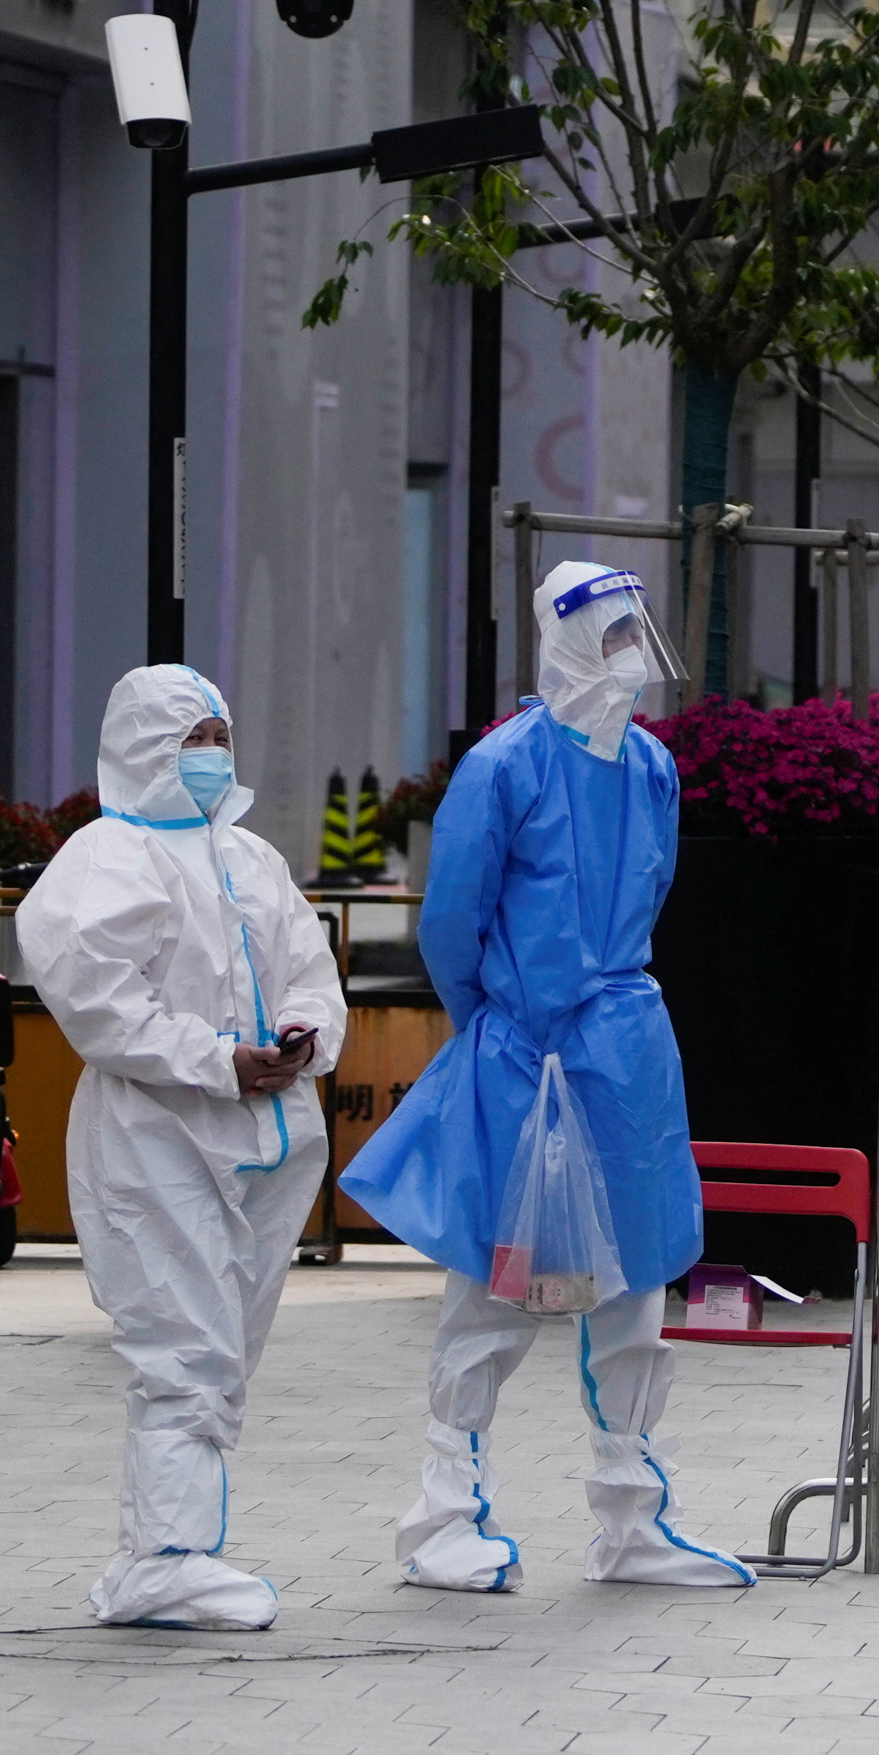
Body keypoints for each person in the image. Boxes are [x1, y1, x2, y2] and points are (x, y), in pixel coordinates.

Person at [341, 561, 750, 1593]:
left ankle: (633, 1512)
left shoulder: (650, 767)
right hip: (533, 1055)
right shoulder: (505, 765)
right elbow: (452, 921)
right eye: (610, 637)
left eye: (633, 634)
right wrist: (500, 1034)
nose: (628, 658)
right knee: (499, 1286)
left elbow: (650, 889)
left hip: (624, 1054)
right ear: (567, 642)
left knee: (639, 1282)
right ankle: (442, 1513)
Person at [12, 664, 347, 1631]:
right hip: (157, 1135)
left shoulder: (249, 858)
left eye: (219, 734)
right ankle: (166, 1557)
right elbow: (100, 1002)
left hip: (267, 1134)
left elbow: (309, 970)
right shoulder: (103, 859)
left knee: (225, 1349)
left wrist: (298, 1038)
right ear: (142, 746)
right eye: (190, 737)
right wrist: (212, 1060)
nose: (211, 754)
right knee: (183, 1348)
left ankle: (164, 1555)